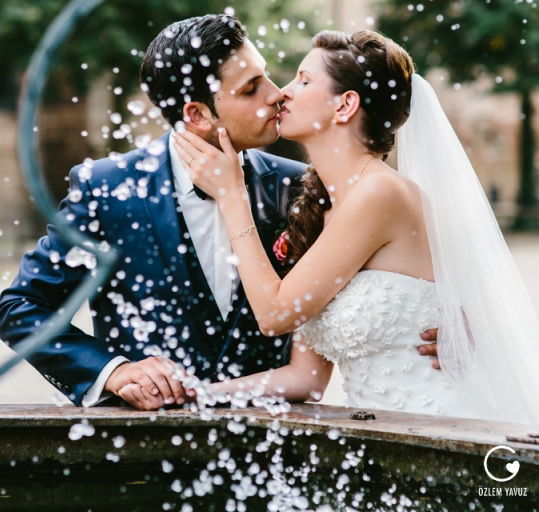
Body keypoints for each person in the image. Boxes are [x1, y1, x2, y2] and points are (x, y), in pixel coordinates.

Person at [0, 16, 440, 411]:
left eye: (268, 77)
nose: (277, 95)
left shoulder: (300, 186)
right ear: (198, 114)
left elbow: (417, 279)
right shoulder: (107, 189)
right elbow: (22, 308)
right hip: (143, 460)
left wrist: (458, 333)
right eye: (251, 88)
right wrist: (112, 371)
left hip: (274, 464)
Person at [174, 30, 539, 425]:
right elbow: (307, 377)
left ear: (345, 105)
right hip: (376, 439)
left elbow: (276, 314)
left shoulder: (381, 192)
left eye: (304, 80)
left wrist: (232, 198)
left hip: (432, 425)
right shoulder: (317, 207)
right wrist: (199, 393)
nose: (284, 92)